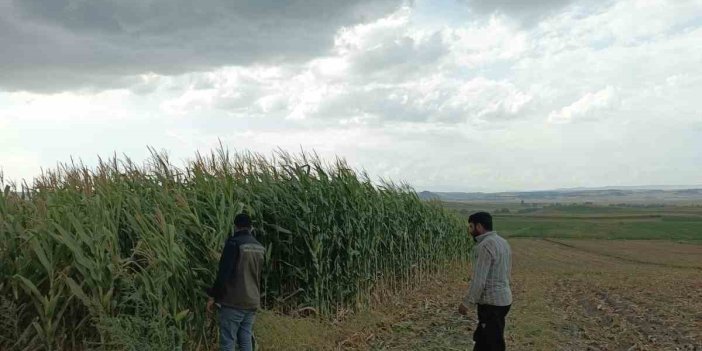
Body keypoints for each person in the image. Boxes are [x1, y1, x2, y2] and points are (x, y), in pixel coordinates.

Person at [206, 213, 266, 351]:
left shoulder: (234, 243)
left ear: (236, 227)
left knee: (228, 340)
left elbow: (224, 273)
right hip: (252, 301)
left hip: (233, 301)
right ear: (251, 227)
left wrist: (213, 295)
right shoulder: (259, 247)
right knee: (245, 339)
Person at [458, 211, 512, 351]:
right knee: (483, 340)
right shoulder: (503, 242)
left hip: (491, 303)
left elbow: (479, 281)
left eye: (471, 226)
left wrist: (467, 302)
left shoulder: (484, 246)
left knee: (493, 343)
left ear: (479, 227)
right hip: (504, 300)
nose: (469, 230)